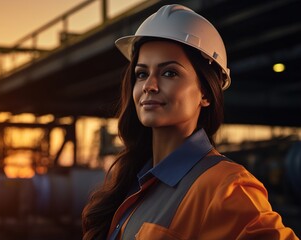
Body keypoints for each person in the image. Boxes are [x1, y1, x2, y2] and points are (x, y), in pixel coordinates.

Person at [82, 4, 299, 240]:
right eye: (142, 73)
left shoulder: (226, 188)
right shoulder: (134, 182)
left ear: (205, 93)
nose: (149, 85)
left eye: (169, 73)